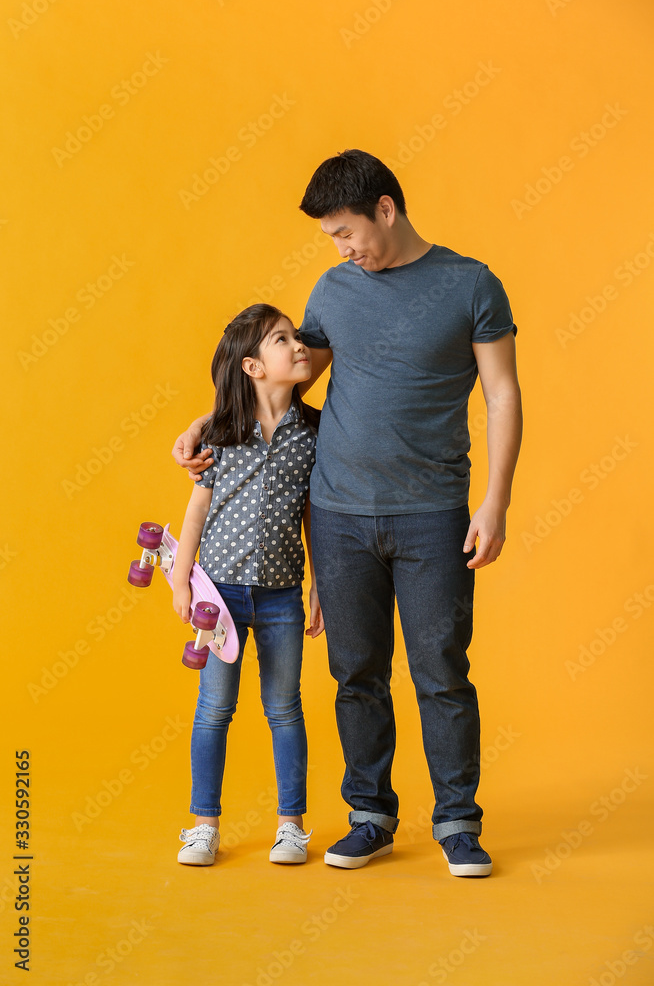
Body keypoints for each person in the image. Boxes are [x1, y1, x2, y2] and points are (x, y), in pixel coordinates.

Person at [173, 150, 522, 877]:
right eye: (331, 238)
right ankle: (370, 815)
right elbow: (283, 381)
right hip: (336, 516)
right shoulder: (334, 289)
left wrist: (495, 499)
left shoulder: (472, 285)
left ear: (385, 211)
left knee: (440, 670)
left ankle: (457, 821)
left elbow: (501, 395)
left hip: (432, 512)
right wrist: (211, 422)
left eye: (345, 232)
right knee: (355, 672)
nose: (341, 249)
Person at [172, 303, 323, 867]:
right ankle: (203, 826)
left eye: (294, 336)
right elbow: (195, 512)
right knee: (214, 708)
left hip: (283, 595)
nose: (298, 345)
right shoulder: (220, 433)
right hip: (220, 599)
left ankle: (291, 826)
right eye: (282, 340)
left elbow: (314, 514)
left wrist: (319, 586)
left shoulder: (313, 432)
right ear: (253, 367)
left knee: (284, 708)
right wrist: (183, 583)